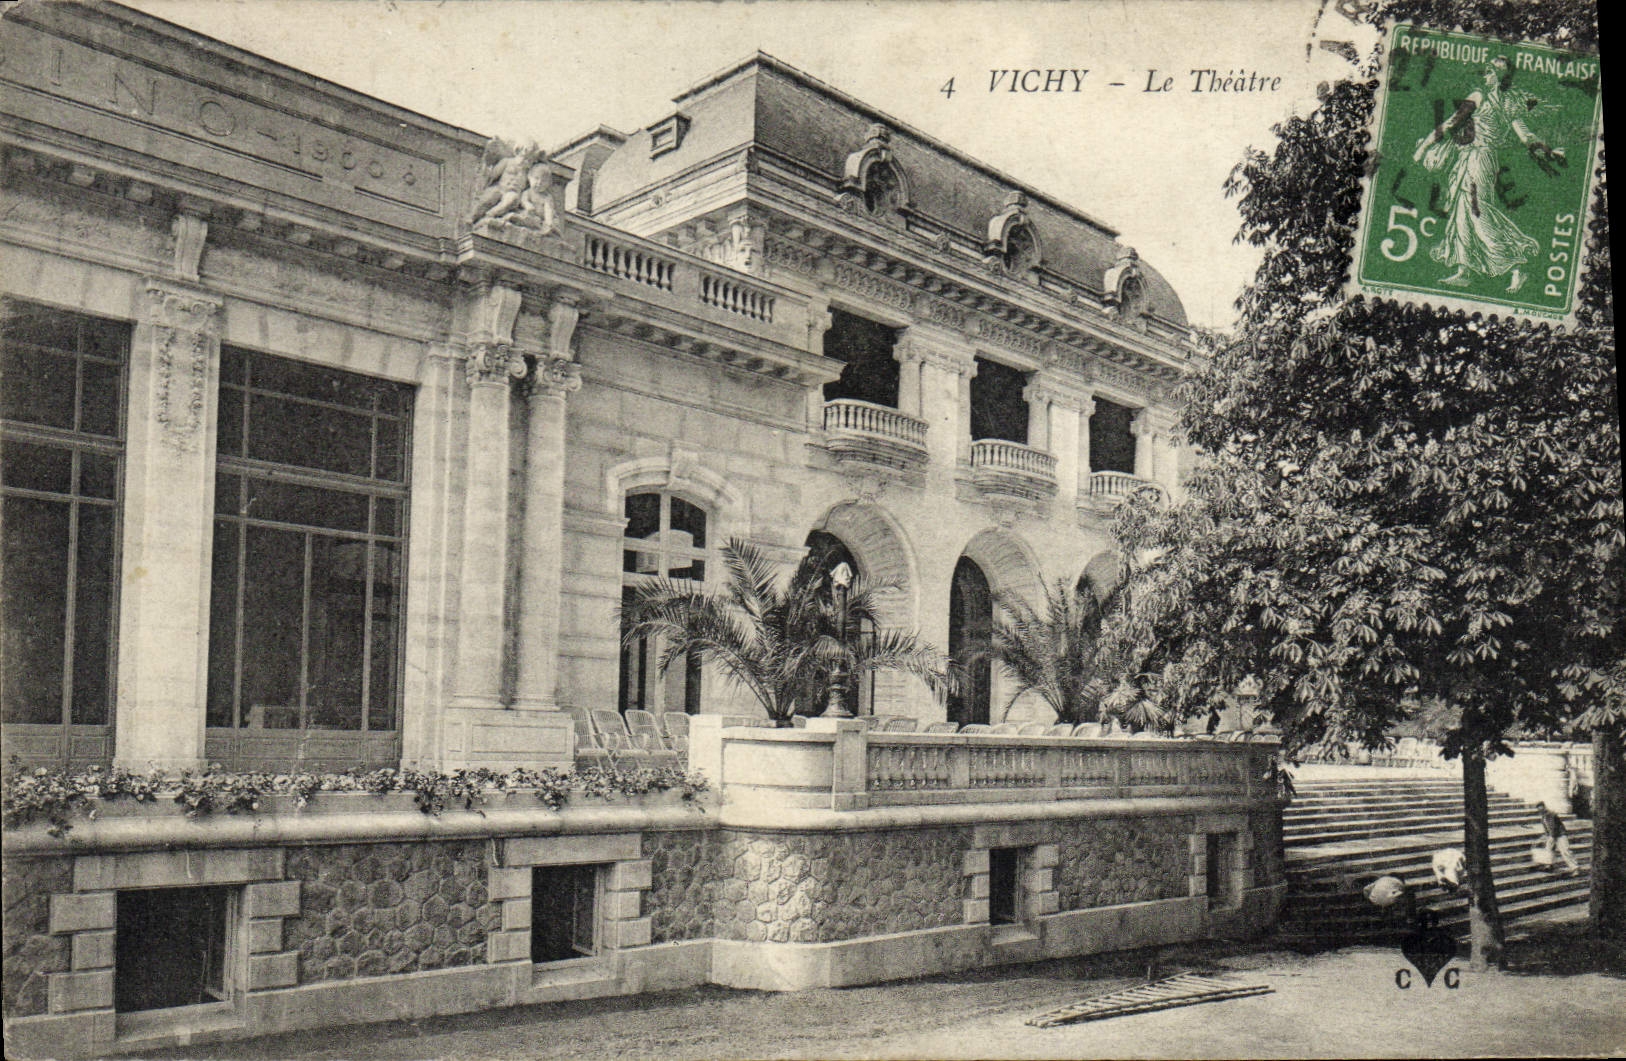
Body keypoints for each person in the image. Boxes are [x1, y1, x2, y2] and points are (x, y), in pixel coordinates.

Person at [1411, 56, 1561, 292]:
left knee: (1479, 213)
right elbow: (1527, 137)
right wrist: (1548, 151)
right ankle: (1464, 270)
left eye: (1488, 72)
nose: (1484, 75)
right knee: (1463, 212)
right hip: (1480, 159)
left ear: (1497, 76)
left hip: (1478, 159)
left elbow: (1451, 123)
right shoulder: (1509, 104)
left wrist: (1423, 147)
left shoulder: (1480, 97)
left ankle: (1516, 267)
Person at [1536, 801, 1581, 877]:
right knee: (1548, 849)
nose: (1540, 811)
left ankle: (1575, 869)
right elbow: (1547, 828)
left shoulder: (1551, 814)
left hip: (1560, 835)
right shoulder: (1543, 817)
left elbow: (1554, 828)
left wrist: (1551, 837)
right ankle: (1549, 865)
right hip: (1552, 835)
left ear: (1544, 807)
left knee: (1565, 851)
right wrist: (1546, 836)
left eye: (1541, 808)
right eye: (1539, 810)